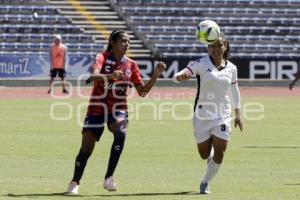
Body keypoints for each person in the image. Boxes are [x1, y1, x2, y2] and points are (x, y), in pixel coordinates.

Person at [66, 30, 166, 195]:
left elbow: (142, 92)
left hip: (118, 108)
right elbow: (92, 76)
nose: (127, 44)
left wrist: (155, 76)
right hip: (97, 107)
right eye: (123, 41)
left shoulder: (131, 65)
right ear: (112, 43)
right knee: (86, 149)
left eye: (128, 42)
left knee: (121, 133)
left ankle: (109, 177)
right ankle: (75, 181)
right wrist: (110, 76)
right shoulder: (102, 57)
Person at [173, 33, 243, 194]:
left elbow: (234, 90)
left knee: (220, 152)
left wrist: (238, 114)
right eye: (212, 45)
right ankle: (209, 161)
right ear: (208, 47)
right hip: (202, 116)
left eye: (220, 45)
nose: (216, 49)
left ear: (225, 47)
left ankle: (205, 182)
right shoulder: (200, 63)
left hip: (223, 116)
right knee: (204, 155)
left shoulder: (232, 68)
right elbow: (177, 77)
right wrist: (181, 77)